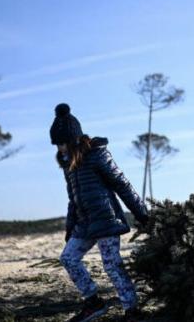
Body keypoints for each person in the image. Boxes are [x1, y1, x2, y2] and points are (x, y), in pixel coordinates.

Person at [51, 103, 149, 322]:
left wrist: (142, 215)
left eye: (63, 143)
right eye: (57, 144)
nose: (60, 148)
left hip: (106, 220)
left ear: (74, 139)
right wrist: (70, 226)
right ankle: (93, 302)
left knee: (111, 265)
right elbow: (72, 199)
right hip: (85, 224)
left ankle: (132, 310)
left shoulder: (97, 154)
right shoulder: (68, 165)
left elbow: (122, 184)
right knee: (68, 258)